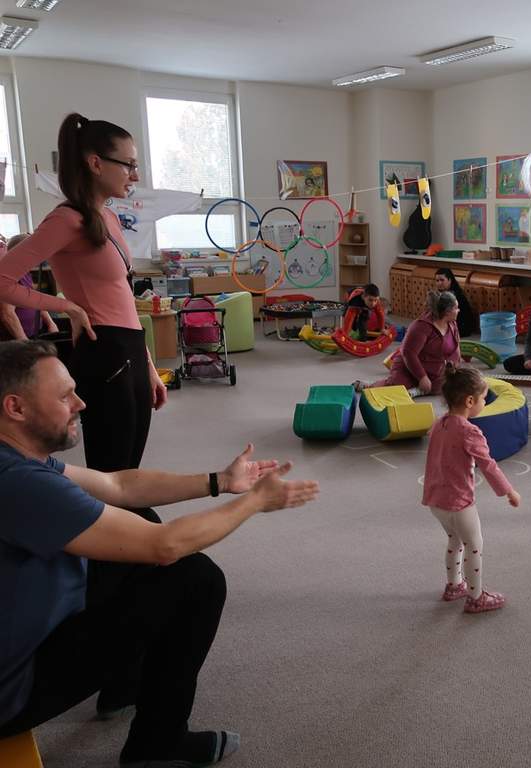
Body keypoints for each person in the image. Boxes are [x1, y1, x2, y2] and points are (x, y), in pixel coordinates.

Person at [0, 340, 319, 767]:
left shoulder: (18, 458)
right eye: (64, 396)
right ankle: (157, 745)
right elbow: (165, 545)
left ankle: (123, 686)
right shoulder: (19, 482)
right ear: (16, 408)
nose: (80, 403)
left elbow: (118, 486)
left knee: (137, 518)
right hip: (11, 693)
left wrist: (220, 481)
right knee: (195, 580)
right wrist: (256, 501)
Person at [0, 113, 166, 473]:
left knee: (130, 465)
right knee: (112, 468)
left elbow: (122, 296)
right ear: (95, 163)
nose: (135, 176)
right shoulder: (66, 220)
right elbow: (3, 278)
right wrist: (68, 307)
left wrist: (149, 366)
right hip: (104, 350)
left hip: (131, 348)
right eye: (129, 165)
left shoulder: (108, 218)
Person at [422, 364, 520, 614]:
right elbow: (488, 465)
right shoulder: (470, 432)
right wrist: (509, 491)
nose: (485, 403)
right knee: (474, 545)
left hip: (436, 500)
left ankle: (454, 585)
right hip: (459, 502)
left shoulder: (439, 423)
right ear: (469, 401)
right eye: (483, 398)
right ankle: (476, 597)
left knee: (455, 540)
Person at [357, 291, 461, 397]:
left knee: (443, 385)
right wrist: (422, 377)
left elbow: (455, 350)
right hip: (408, 367)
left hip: (433, 369)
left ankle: (418, 390)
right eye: (456, 308)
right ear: (447, 312)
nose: (458, 310)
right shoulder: (421, 326)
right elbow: (408, 353)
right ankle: (369, 385)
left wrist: (453, 367)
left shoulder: (452, 324)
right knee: (396, 388)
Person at [0, 234, 59, 341]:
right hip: (20, 340)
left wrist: (51, 323)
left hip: (36, 331)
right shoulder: (8, 276)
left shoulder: (24, 272)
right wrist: (26, 343)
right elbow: (8, 315)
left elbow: (34, 300)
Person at [434, 268, 477, 338]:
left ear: (450, 280)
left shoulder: (454, 295)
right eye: (437, 280)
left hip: (462, 328)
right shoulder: (441, 293)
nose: (439, 283)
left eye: (442, 280)